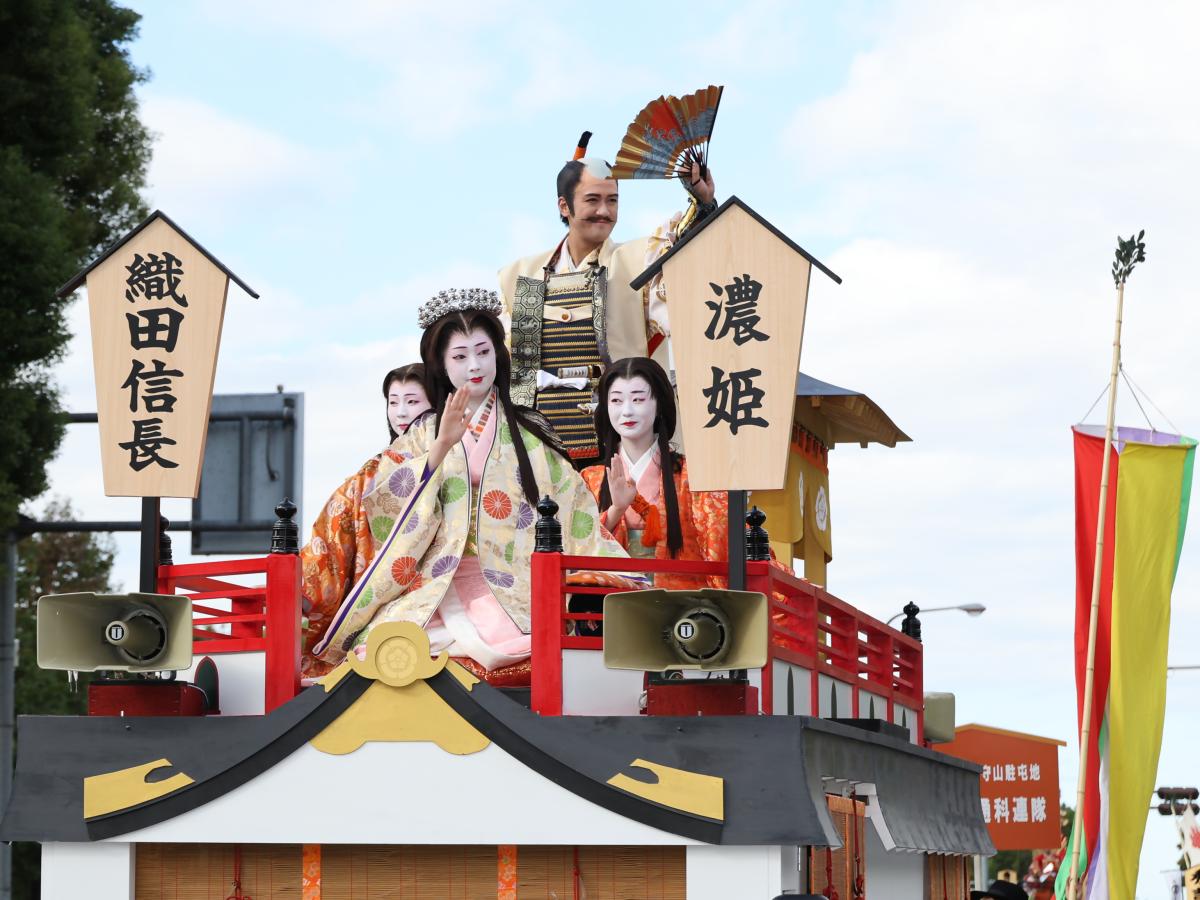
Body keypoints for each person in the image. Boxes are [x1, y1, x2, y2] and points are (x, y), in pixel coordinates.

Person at [311, 289, 640, 681]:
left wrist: (614, 514)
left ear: (497, 353)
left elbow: (572, 514)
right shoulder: (423, 433)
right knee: (380, 650)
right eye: (460, 357)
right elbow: (384, 504)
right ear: (440, 363)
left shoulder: (530, 431)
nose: (475, 366)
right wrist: (440, 448)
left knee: (510, 646)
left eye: (483, 352)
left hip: (508, 580)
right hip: (432, 581)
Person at [497, 132, 716, 463]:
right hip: (540, 445)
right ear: (564, 205)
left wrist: (702, 204)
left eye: (612, 200)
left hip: (622, 438)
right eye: (592, 200)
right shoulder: (520, 275)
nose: (604, 211)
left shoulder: (635, 261)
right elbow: (506, 365)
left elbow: (679, 243)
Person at [300, 364, 430, 678]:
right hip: (381, 588)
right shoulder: (373, 471)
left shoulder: (460, 459)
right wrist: (300, 584)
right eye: (393, 402)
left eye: (412, 401)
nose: (400, 412)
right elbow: (336, 522)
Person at [580, 357, 730, 591]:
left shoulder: (694, 477)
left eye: (638, 399)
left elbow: (722, 548)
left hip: (681, 606)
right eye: (616, 400)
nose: (626, 411)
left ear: (659, 404)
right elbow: (576, 550)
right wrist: (616, 510)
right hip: (611, 606)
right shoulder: (591, 479)